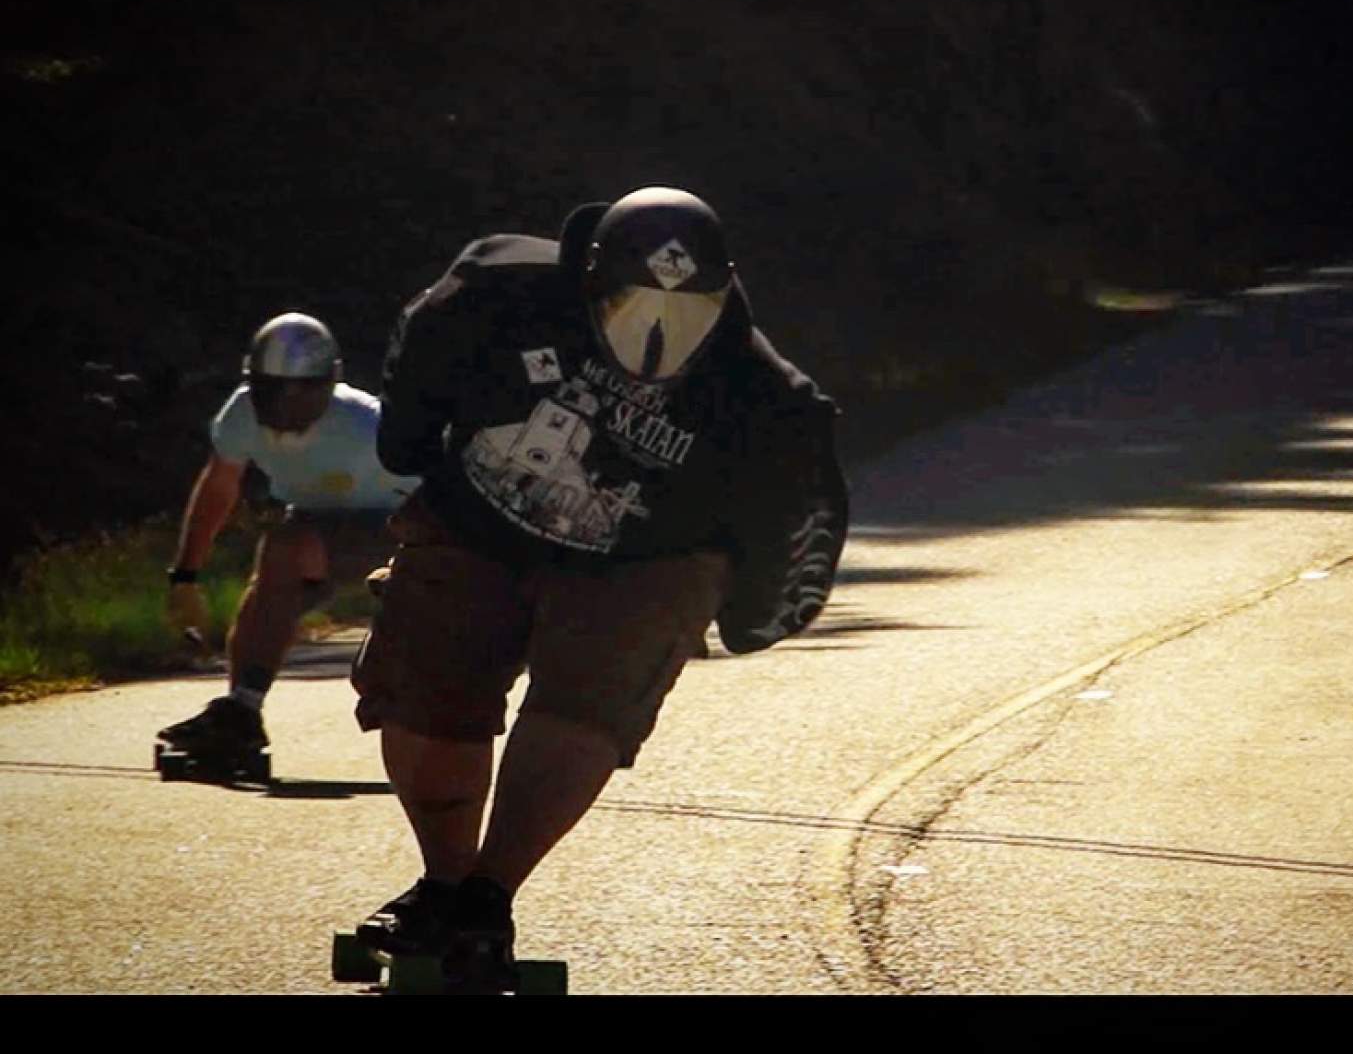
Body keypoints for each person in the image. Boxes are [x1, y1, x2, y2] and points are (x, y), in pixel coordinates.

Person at [351, 186, 848, 991]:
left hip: (647, 558)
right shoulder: (498, 288)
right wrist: (407, 441)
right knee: (426, 682)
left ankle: (489, 894)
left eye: (687, 315)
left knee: (588, 700)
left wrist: (758, 614)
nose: (656, 335)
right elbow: (419, 348)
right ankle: (443, 884)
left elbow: (806, 515)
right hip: (480, 515)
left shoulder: (764, 399)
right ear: (588, 277)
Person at [158, 312, 415, 764]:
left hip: (400, 524)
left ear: (330, 383)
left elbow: (437, 486)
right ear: (253, 383)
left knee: (288, 548)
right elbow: (219, 487)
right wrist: (185, 576)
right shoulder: (241, 415)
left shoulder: (366, 425)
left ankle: (421, 703)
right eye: (272, 390)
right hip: (315, 520)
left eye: (302, 391)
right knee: (279, 556)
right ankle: (242, 710)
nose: (286, 403)